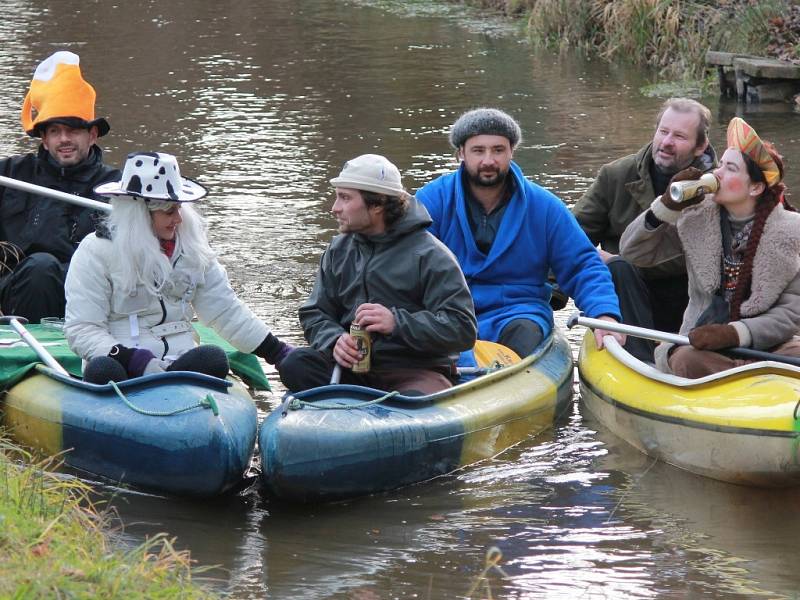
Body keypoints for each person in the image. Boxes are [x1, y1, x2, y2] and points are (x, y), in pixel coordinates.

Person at [64, 152, 293, 383]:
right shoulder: (95, 251)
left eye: (179, 208)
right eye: (168, 211)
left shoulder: (192, 246)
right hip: (122, 364)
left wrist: (278, 352)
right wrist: (134, 360)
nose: (178, 219)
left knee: (214, 359)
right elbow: (82, 329)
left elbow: (224, 309)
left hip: (180, 360)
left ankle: (176, 382)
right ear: (140, 215)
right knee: (102, 370)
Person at [415, 108, 623, 359]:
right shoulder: (432, 200)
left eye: (498, 150)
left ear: (512, 151)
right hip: (447, 313)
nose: (488, 160)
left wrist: (604, 314)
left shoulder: (544, 206)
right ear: (461, 153)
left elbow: (582, 265)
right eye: (478, 150)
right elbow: (405, 262)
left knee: (523, 338)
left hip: (518, 314)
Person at [278, 154, 477, 394]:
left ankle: (367, 411)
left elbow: (462, 329)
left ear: (378, 204)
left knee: (413, 402)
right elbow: (314, 313)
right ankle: (350, 407)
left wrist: (397, 323)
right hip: (353, 370)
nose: (335, 208)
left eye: (345, 198)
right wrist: (334, 340)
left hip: (416, 373)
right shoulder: (338, 250)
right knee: (295, 365)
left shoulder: (432, 255)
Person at [619, 117, 800, 377]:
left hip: (768, 345)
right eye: (721, 164)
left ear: (756, 187)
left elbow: (791, 314)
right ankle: (749, 376)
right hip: (701, 341)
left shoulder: (791, 229)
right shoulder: (696, 216)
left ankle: (746, 375)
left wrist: (735, 334)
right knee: (686, 361)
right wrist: (665, 207)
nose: (717, 173)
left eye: (730, 168)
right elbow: (633, 252)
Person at [573, 98, 716, 361]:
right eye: (663, 132)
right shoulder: (615, 175)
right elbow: (569, 239)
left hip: (687, 297)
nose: (667, 142)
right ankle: (638, 360)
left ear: (700, 146)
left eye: (680, 136)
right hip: (626, 292)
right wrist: (549, 295)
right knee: (619, 269)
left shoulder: (718, 188)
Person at [0, 51, 120, 323]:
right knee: (39, 269)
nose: (64, 139)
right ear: (43, 138)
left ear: (92, 135)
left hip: (86, 298)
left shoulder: (116, 187)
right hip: (13, 295)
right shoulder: (9, 175)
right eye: (55, 131)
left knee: (48, 269)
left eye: (73, 130)